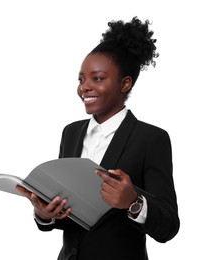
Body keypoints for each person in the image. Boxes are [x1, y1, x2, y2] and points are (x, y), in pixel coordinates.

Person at [16, 16, 180, 260]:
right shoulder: (71, 132)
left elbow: (168, 227)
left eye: (98, 78)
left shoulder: (151, 139)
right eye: (81, 79)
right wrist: (45, 213)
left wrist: (133, 202)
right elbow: (70, 218)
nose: (85, 87)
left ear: (125, 83)